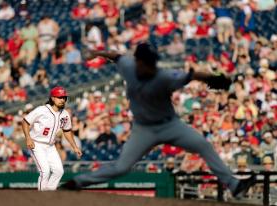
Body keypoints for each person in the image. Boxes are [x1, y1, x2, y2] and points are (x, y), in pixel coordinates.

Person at [62, 43, 256, 197]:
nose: (150, 65)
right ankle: (78, 182)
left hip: (170, 125)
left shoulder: (164, 77)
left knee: (203, 145)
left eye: (152, 61)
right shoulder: (129, 66)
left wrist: (213, 78)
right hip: (143, 130)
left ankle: (234, 185)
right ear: (138, 61)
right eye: (146, 61)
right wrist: (96, 52)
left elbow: (191, 75)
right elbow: (115, 56)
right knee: (121, 167)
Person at [22, 86, 82, 191]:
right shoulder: (42, 110)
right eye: (60, 97)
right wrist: (28, 138)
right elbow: (25, 122)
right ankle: (41, 197)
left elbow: (67, 131)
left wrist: (75, 147)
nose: (62, 100)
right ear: (53, 98)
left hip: (50, 146)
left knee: (59, 171)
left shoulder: (65, 114)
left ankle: (49, 194)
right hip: (37, 144)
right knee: (45, 171)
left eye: (64, 97)